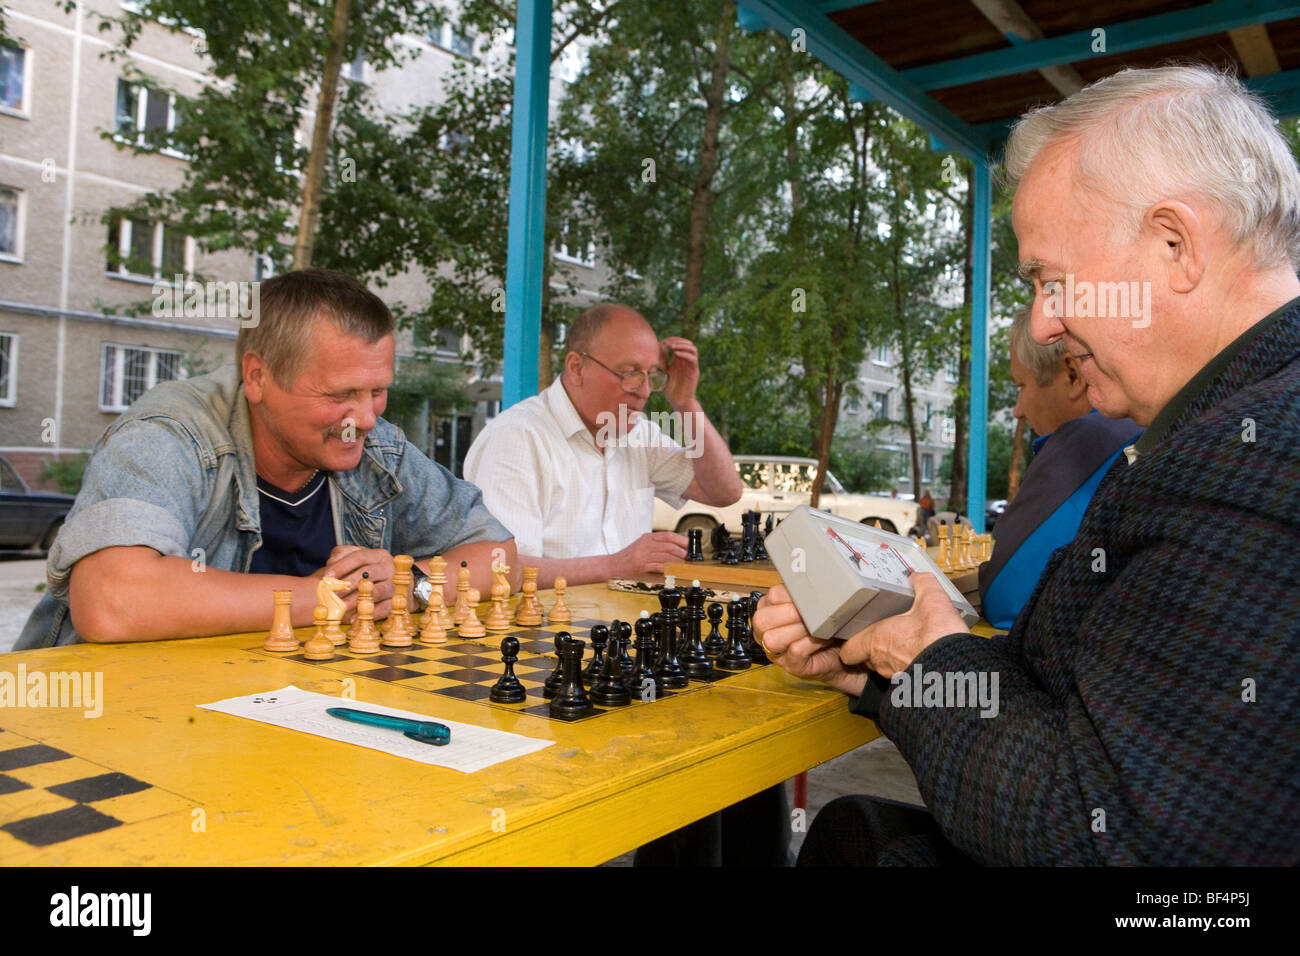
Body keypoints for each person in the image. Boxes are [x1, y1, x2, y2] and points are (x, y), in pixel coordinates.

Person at [756, 65, 1300, 865]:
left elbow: (1100, 838)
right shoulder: (1211, 425)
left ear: (1175, 246)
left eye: (1051, 279)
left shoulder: (1254, 458)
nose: (1043, 324)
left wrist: (926, 650)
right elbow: (1073, 693)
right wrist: (873, 661)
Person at [15, 269, 517, 648]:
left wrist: (412, 588)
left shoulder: (375, 444)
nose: (364, 418)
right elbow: (111, 601)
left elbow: (499, 555)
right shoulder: (170, 433)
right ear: (257, 376)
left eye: (378, 391)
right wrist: (326, 597)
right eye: (341, 393)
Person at [464, 303, 743, 586]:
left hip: (627, 624)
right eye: (630, 373)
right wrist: (617, 565)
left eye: (653, 375)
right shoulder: (517, 437)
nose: (645, 391)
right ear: (576, 367)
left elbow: (725, 491)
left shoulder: (639, 434)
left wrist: (685, 402)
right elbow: (500, 569)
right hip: (546, 629)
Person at [978, 305, 1142, 628]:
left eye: (1021, 386)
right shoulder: (1143, 427)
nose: (1018, 410)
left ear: (1071, 374)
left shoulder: (1086, 445)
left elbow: (1005, 594)